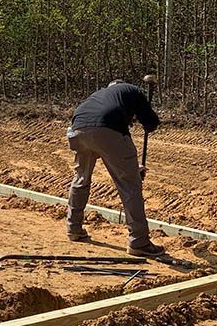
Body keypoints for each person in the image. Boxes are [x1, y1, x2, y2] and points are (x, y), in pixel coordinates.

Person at [66, 80, 164, 257]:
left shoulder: (99, 96)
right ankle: (139, 242)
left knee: (81, 179)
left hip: (77, 130)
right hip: (106, 129)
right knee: (130, 186)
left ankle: (74, 228)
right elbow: (151, 121)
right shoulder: (133, 90)